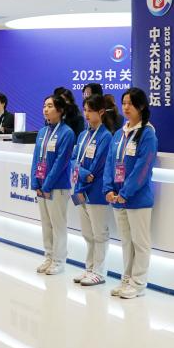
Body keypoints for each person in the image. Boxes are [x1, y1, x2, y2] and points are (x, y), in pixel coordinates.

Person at [103, 88, 157, 299]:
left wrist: (126, 192)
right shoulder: (119, 133)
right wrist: (108, 188)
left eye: (130, 104)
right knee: (126, 242)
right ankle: (126, 279)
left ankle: (138, 283)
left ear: (141, 106)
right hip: (117, 198)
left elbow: (143, 168)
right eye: (124, 103)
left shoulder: (147, 133)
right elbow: (110, 162)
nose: (125, 107)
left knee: (140, 243)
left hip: (137, 199)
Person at [30, 94, 76, 275]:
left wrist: (47, 184)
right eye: (44, 106)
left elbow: (61, 162)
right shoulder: (42, 132)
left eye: (50, 106)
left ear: (60, 110)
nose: (46, 109)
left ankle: (59, 260)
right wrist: (35, 181)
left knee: (58, 224)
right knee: (46, 223)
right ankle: (48, 256)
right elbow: (36, 158)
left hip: (57, 186)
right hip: (42, 185)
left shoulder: (67, 133)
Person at [70, 94, 113, 286]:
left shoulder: (106, 136)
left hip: (95, 191)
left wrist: (85, 175)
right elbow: (73, 159)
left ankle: (99, 272)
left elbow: (97, 166)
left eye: (90, 110)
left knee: (99, 233)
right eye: (85, 110)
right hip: (80, 187)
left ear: (101, 112)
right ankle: (89, 268)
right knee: (87, 233)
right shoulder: (82, 135)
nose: (86, 114)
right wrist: (81, 174)